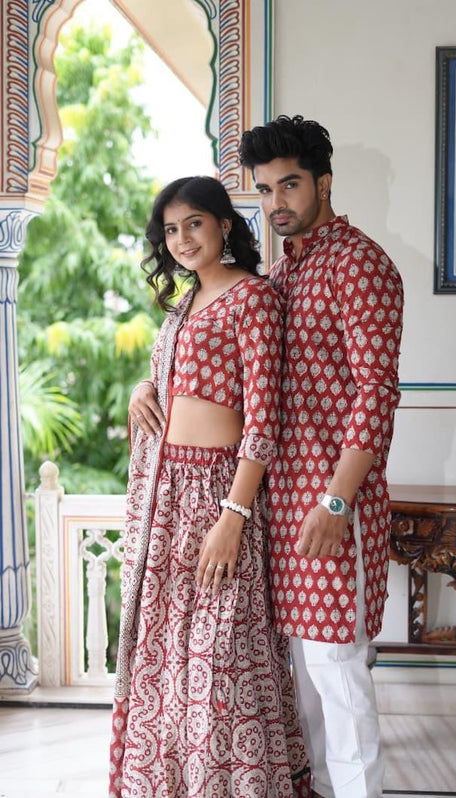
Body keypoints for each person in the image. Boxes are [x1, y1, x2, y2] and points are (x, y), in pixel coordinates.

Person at [108, 176, 310, 797]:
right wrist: (145, 388)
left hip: (219, 496)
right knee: (170, 660)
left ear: (225, 224)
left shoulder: (253, 299)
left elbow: (264, 421)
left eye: (194, 223)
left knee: (222, 661)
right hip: (163, 498)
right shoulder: (181, 305)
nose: (182, 239)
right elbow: (164, 376)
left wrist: (234, 516)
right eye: (171, 229)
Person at [238, 115, 404, 798]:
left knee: (339, 680)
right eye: (265, 189)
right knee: (302, 688)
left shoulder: (357, 264)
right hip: (281, 515)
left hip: (334, 512)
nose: (277, 201)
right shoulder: (282, 275)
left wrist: (335, 502)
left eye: (290, 184)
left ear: (323, 183)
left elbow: (375, 394)